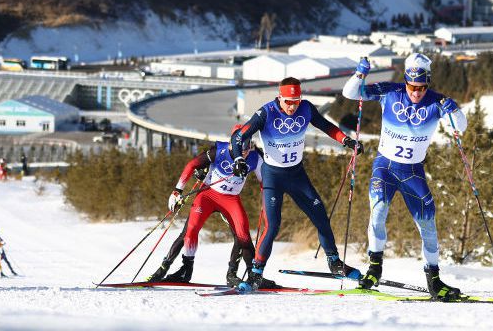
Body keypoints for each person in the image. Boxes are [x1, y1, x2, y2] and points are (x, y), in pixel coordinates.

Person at [342, 53, 467, 301]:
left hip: (412, 172)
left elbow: (460, 127)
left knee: (428, 225)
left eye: (421, 88)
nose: (416, 93)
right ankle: (374, 269)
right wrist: (360, 74)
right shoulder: (390, 92)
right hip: (385, 168)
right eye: (412, 87)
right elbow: (350, 93)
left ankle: (434, 280)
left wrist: (454, 108)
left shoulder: (436, 102)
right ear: (406, 82)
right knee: (378, 212)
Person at [230, 77, 364, 291]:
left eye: (296, 101)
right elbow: (238, 137)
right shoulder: (266, 113)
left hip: (297, 175)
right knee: (272, 226)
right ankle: (256, 273)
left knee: (321, 217)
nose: (292, 106)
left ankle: (335, 263)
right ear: (279, 98)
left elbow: (326, 126)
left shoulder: (306, 108)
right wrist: (238, 159)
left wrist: (345, 140)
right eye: (288, 102)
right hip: (273, 176)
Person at [148, 127, 262, 288]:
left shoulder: (255, 158)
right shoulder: (219, 151)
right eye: (240, 147)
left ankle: (247, 275)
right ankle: (184, 269)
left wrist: (268, 200)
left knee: (243, 233)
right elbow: (192, 165)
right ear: (231, 144)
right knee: (190, 229)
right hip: (208, 195)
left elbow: (265, 181)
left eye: (247, 146)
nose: (244, 152)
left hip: (230, 199)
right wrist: (177, 190)